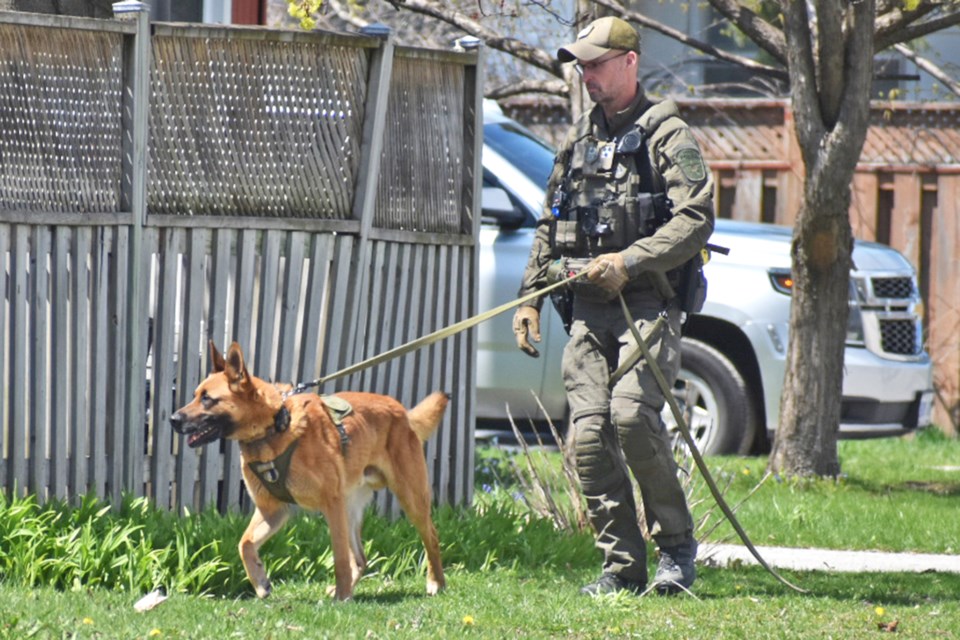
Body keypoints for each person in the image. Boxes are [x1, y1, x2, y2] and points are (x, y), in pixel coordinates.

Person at [511, 16, 714, 596]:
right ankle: (621, 568)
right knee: (591, 434)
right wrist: (528, 300)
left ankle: (676, 550)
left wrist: (630, 260)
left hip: (647, 303)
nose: (587, 75)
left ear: (630, 63)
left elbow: (696, 218)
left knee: (630, 416)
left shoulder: (666, 135)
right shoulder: (578, 140)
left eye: (597, 63)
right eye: (582, 65)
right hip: (587, 308)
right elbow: (549, 225)